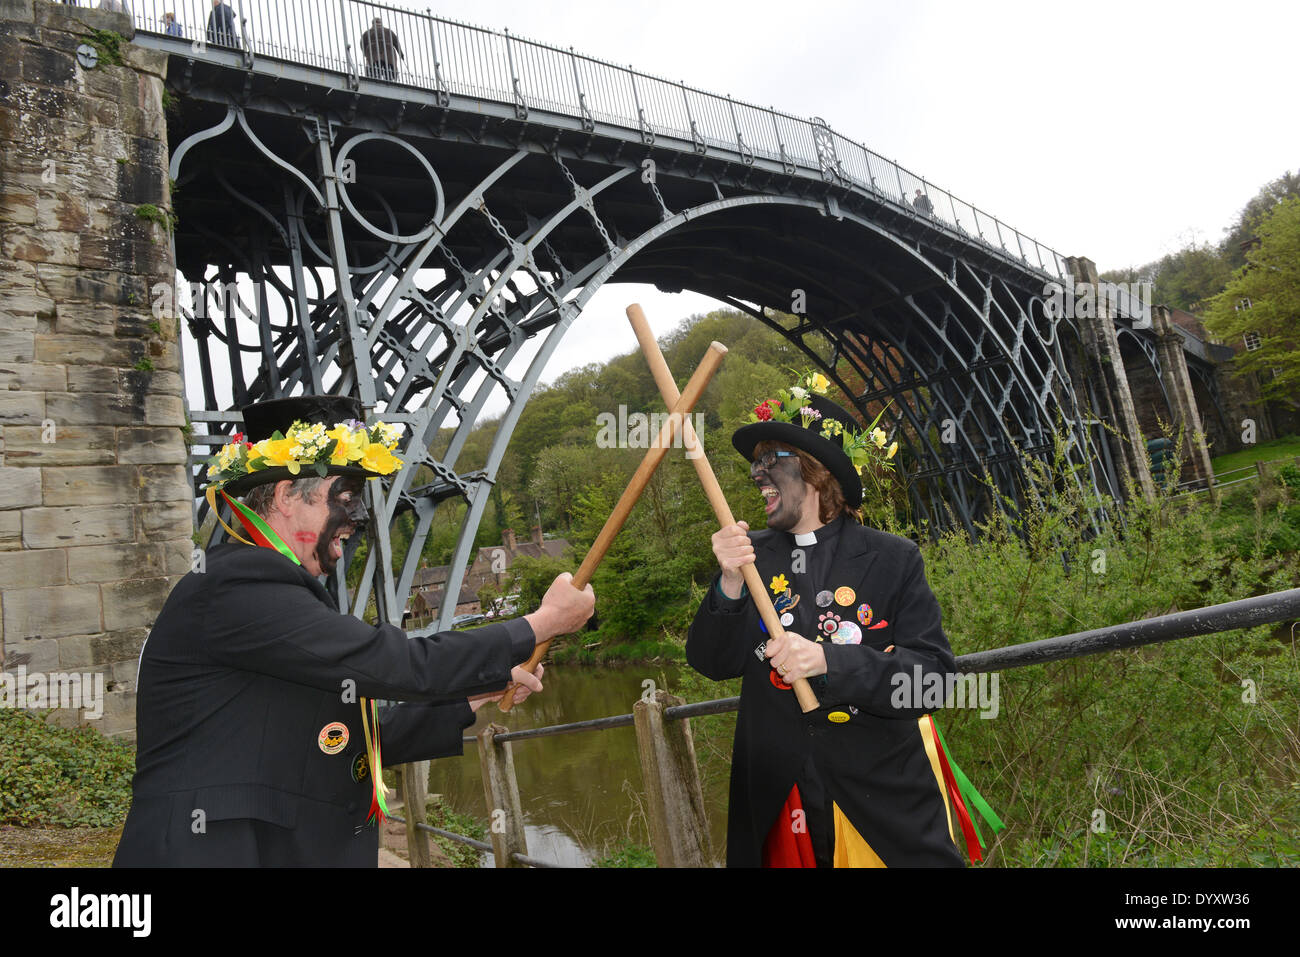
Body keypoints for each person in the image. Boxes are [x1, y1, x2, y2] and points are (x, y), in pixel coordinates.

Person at [114, 395, 594, 866]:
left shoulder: (261, 587)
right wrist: (541, 623)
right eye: (345, 498)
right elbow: (393, 664)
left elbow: (337, 740)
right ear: (285, 496)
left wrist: (475, 695)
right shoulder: (238, 583)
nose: (359, 518)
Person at [686, 373, 966, 867]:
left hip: (883, 802)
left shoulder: (893, 558)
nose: (756, 474)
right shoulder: (750, 560)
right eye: (755, 463)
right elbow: (711, 662)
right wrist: (729, 582)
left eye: (772, 461)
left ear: (815, 473)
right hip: (779, 803)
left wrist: (830, 661)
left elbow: (934, 682)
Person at [359, 15, 404, 81]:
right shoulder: (389, 31)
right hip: (389, 56)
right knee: (389, 73)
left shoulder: (367, 32)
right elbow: (396, 42)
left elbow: (362, 43)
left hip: (373, 55)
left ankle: (375, 81)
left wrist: (365, 53)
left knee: (374, 72)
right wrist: (401, 54)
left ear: (373, 24)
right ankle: (389, 81)